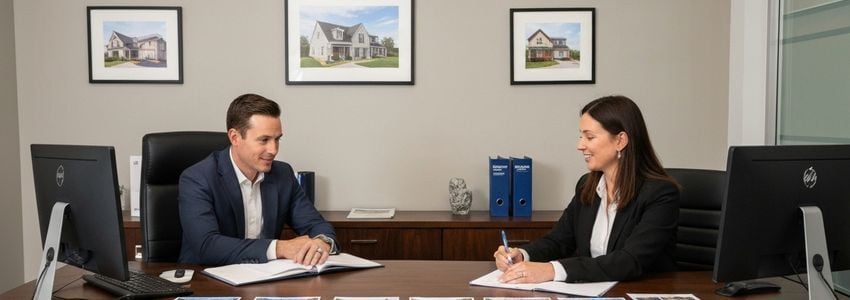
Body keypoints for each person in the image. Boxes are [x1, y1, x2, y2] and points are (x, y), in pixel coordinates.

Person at [494, 95, 679, 283]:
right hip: (591, 291)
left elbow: (629, 260)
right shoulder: (587, 186)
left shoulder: (660, 194)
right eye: (580, 136)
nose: (580, 145)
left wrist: (552, 270)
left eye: (589, 137)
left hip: (638, 291)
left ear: (620, 141)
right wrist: (523, 255)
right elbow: (559, 241)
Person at [178, 93, 338, 266]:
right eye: (264, 140)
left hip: (264, 279)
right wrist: (279, 248)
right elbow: (206, 246)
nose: (273, 149)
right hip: (207, 280)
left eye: (277, 139)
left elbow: (315, 224)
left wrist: (322, 242)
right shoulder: (197, 178)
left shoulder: (282, 174)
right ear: (235, 137)